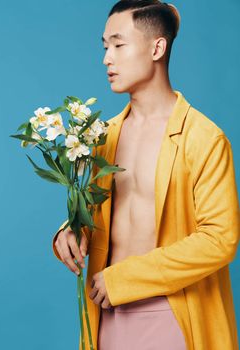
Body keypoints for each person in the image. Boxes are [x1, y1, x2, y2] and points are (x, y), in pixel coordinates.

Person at [52, 1, 240, 349]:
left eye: (119, 45)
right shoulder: (101, 137)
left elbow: (220, 238)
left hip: (174, 313)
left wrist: (125, 278)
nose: (107, 58)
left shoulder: (204, 138)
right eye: (105, 46)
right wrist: (71, 230)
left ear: (157, 47)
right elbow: (99, 215)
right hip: (106, 313)